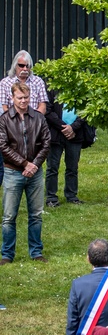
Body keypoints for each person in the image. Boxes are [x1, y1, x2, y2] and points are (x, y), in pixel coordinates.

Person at [0, 79, 50, 264]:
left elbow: (46, 143)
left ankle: (36, 252)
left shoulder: (39, 117)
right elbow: (3, 146)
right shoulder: (4, 120)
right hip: (13, 172)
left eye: (26, 97)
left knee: (36, 215)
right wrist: (24, 164)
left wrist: (34, 165)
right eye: (20, 98)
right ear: (12, 98)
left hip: (35, 173)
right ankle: (7, 254)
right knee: (8, 217)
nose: (23, 101)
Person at [44, 92, 92, 208]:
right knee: (52, 167)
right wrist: (63, 127)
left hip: (76, 133)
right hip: (55, 133)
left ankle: (71, 195)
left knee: (72, 167)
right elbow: (48, 110)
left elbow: (87, 110)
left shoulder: (81, 88)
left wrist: (73, 127)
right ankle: (51, 197)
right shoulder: (52, 88)